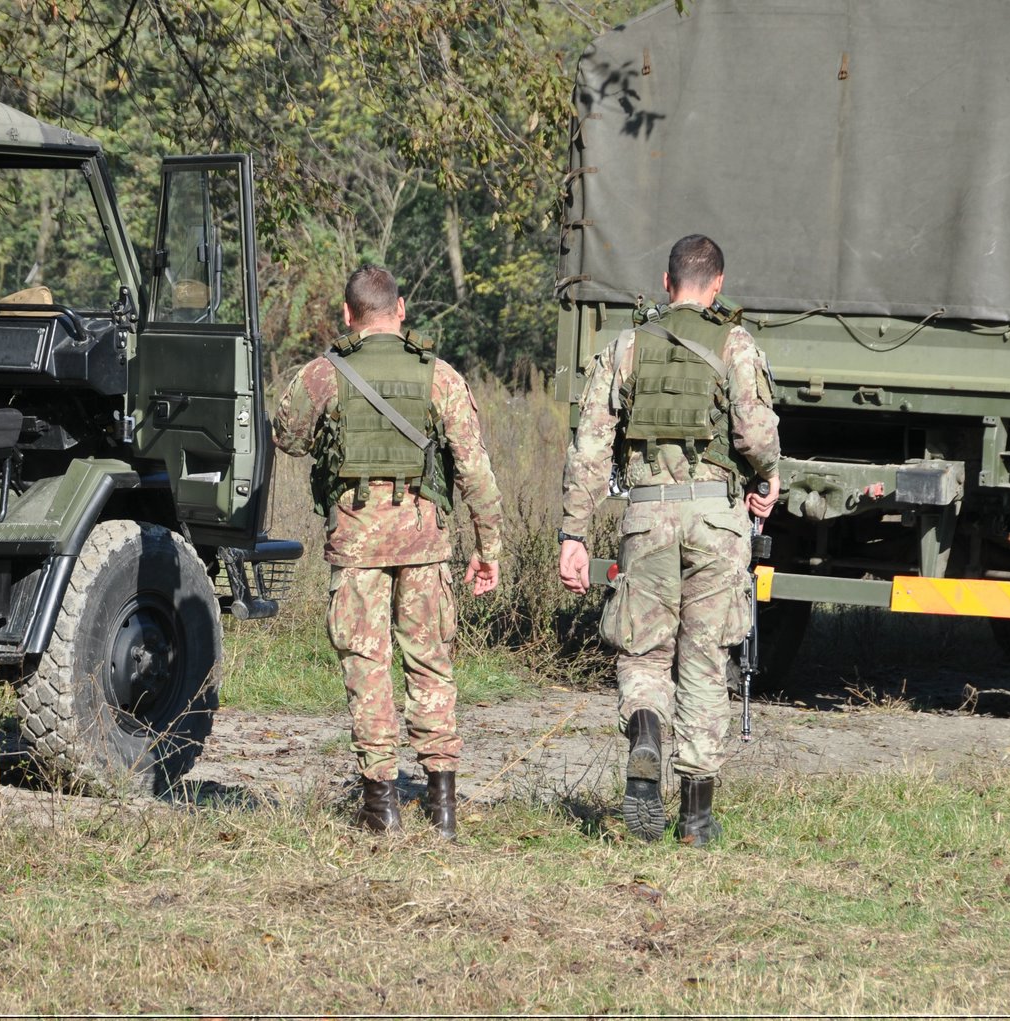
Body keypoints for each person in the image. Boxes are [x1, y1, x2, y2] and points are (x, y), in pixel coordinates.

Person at [558, 234, 780, 846]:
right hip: (716, 524)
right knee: (706, 661)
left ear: (665, 282)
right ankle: (696, 818)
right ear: (717, 288)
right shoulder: (736, 344)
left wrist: (573, 534)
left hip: (647, 520)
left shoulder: (625, 347)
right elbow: (757, 436)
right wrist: (767, 481)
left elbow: (589, 450)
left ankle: (648, 732)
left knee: (645, 654)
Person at [273, 265, 503, 839]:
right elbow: (475, 470)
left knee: (367, 665)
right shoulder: (441, 377)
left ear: (348, 314)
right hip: (425, 540)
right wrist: (487, 546)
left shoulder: (324, 374)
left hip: (355, 542)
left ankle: (381, 803)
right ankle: (442, 805)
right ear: (400, 311)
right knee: (431, 663)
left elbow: (288, 437)